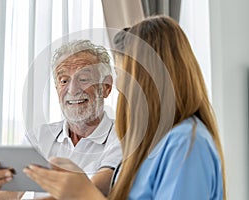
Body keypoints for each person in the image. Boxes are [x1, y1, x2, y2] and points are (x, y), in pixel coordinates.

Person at [23, 15, 226, 200]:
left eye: (126, 73)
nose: (121, 86)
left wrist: (84, 194)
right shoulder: (153, 144)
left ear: (150, 77)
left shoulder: (185, 143)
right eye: (64, 80)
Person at [0, 40, 122, 200]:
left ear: (106, 88)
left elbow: (96, 191)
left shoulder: (123, 135)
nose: (72, 90)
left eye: (84, 79)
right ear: (57, 88)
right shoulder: (38, 137)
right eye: (64, 80)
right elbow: (10, 194)